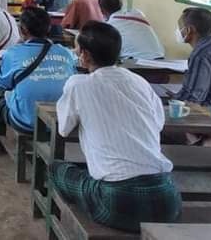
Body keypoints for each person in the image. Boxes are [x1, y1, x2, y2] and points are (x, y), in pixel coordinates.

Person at [52, 21, 181, 233]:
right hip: (167, 198)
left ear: (85, 55)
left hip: (116, 200)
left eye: (77, 49)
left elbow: (64, 129)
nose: (75, 53)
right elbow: (157, 124)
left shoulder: (78, 84)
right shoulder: (140, 82)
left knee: (57, 169)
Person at [0, 8, 77, 155]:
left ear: (22, 30)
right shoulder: (65, 53)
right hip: (60, 121)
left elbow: (2, 83)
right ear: (49, 28)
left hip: (25, 121)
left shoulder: (14, 54)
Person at [175, 7, 211, 104]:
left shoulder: (201, 54)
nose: (178, 31)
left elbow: (193, 98)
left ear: (189, 30)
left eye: (180, 27)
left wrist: (173, 101)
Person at [98, 0, 165, 61]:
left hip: (138, 62)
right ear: (120, 4)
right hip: (160, 58)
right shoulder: (138, 13)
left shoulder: (110, 26)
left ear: (102, 11)